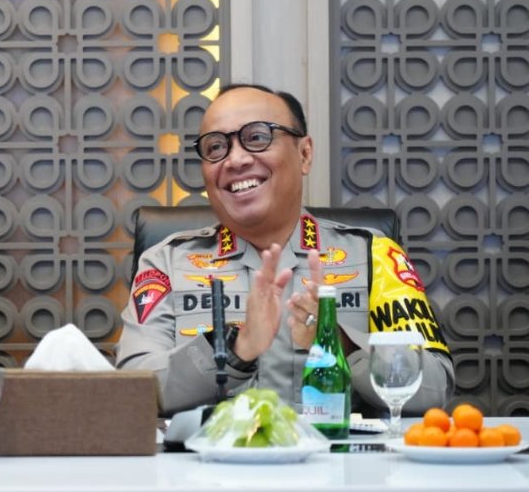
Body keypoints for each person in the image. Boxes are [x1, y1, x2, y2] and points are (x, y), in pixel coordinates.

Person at [116, 83, 454, 416]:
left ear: (304, 154)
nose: (236, 159)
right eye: (216, 147)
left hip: (338, 452)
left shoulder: (374, 254)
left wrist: (340, 343)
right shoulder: (166, 263)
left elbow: (434, 387)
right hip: (208, 452)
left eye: (257, 137)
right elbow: (133, 390)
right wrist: (235, 350)